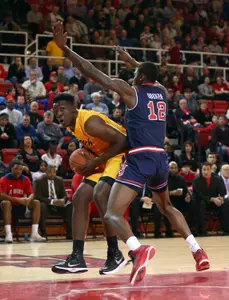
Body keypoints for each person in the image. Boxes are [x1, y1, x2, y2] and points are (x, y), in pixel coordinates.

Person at [52, 23, 210, 286]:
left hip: (139, 157)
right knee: (166, 206)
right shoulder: (161, 91)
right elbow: (151, 74)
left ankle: (136, 250)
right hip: (161, 157)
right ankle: (197, 250)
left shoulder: (131, 91)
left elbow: (92, 72)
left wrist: (66, 49)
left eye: (134, 72)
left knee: (112, 213)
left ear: (137, 78)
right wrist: (135, 62)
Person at [51, 93, 127, 275]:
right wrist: (88, 157)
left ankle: (115, 253)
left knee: (100, 194)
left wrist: (95, 161)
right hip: (103, 159)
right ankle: (77, 257)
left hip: (122, 156)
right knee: (79, 198)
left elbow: (124, 141)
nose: (58, 115)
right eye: (55, 112)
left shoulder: (89, 122)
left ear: (73, 107)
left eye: (62, 110)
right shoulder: (72, 127)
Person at [0, 160, 46, 243]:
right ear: (11, 169)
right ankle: (8, 234)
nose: (18, 171)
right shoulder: (4, 179)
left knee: (36, 202)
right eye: (16, 169)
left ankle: (34, 233)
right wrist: (17, 199)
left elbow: (31, 193)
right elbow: (1, 195)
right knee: (6, 202)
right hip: (7, 208)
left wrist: (28, 199)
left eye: (20, 169)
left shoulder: (25, 179)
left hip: (21, 207)